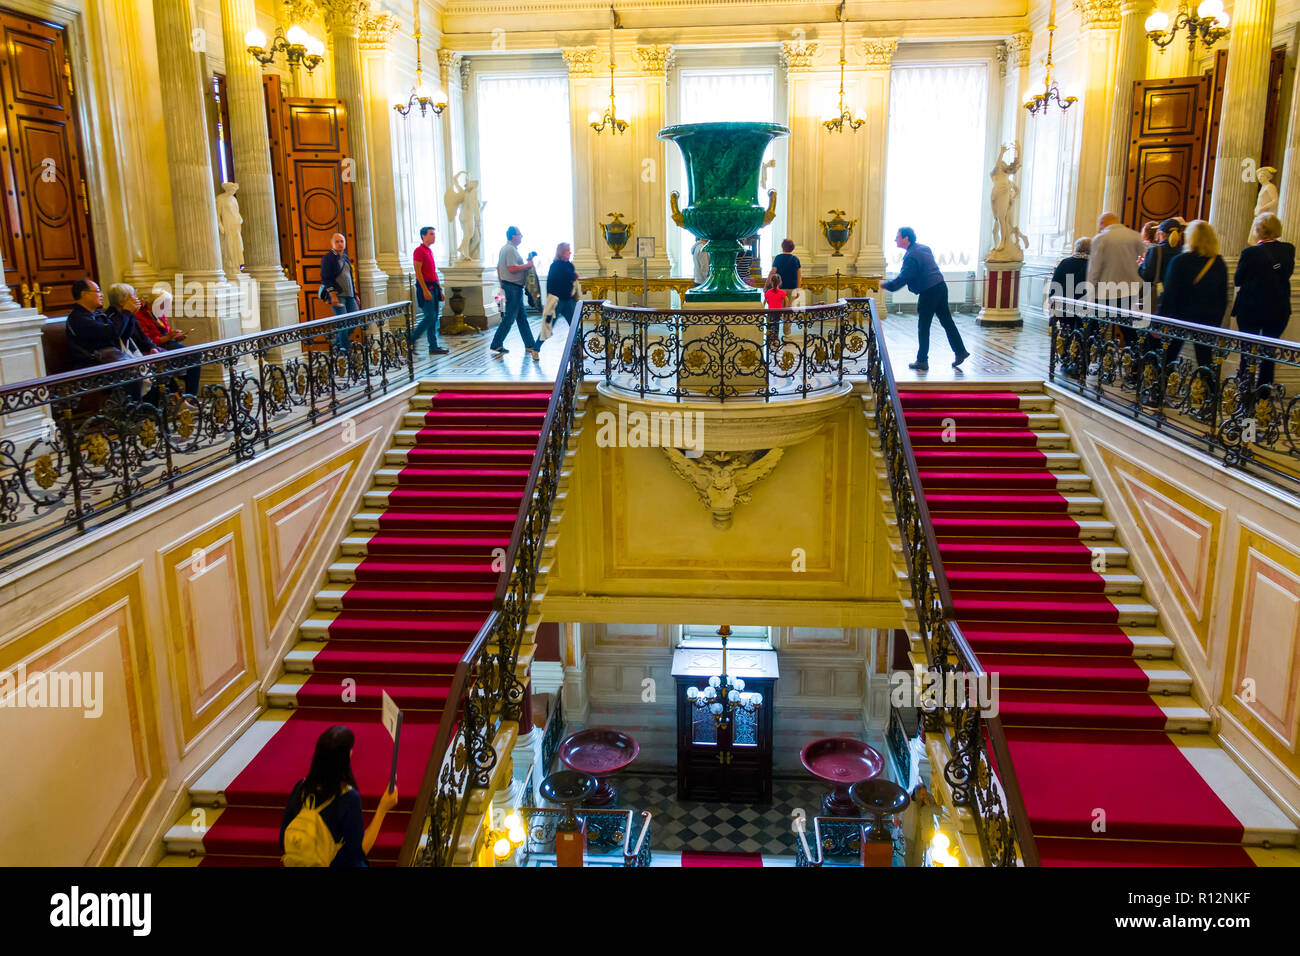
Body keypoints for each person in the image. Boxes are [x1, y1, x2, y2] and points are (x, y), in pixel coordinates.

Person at [279, 725, 399, 868]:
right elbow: (357, 853)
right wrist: (382, 809)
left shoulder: (301, 787)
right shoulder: (348, 798)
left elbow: (283, 841)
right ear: (345, 757)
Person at [881, 227, 969, 371]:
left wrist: (886, 285)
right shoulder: (924, 248)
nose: (895, 239)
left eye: (897, 237)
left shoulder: (910, 256)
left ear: (906, 238)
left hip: (929, 292)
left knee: (924, 326)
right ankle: (960, 351)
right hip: (940, 286)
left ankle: (922, 361)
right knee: (947, 322)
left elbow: (904, 278)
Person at [1233, 212, 1295, 389]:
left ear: (1259, 230)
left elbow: (1238, 279)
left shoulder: (1250, 252)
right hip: (1278, 308)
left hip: (1251, 309)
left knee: (1247, 350)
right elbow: (1287, 274)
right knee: (1269, 351)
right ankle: (1264, 393)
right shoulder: (1289, 249)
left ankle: (1245, 388)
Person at [1157, 219, 1228, 372]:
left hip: (1180, 317)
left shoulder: (1180, 261)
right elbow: (1223, 296)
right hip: (1207, 318)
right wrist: (1217, 321)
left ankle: (1158, 391)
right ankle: (1210, 392)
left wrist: (1160, 319)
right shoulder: (1218, 263)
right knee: (1205, 359)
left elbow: (1169, 293)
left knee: (1169, 355)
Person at [65, 279, 148, 401]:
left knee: (147, 370)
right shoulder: (77, 318)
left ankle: (144, 413)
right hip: (92, 365)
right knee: (132, 375)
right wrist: (125, 312)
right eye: (98, 291)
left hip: (110, 361)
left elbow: (122, 336)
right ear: (84, 294)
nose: (102, 295)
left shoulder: (99, 314)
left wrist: (130, 315)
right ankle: (133, 416)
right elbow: (110, 333)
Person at [1087, 213, 1145, 346]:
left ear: (1103, 223)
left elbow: (1094, 269)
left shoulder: (1101, 238)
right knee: (1130, 330)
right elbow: (1144, 262)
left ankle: (1088, 359)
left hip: (1104, 292)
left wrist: (1090, 291)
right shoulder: (1136, 236)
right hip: (1130, 291)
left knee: (1095, 330)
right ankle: (1135, 361)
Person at [137, 289, 201, 397]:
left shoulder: (159, 314)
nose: (164, 308)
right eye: (162, 304)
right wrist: (168, 337)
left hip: (168, 345)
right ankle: (181, 397)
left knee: (196, 356)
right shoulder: (140, 316)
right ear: (153, 302)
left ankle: (191, 396)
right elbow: (148, 341)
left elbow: (166, 333)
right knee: (191, 359)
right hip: (154, 349)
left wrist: (176, 337)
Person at [491, 226, 540, 359]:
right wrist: (528, 265)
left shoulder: (508, 249)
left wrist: (502, 283)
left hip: (512, 287)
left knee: (521, 318)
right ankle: (496, 343)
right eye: (519, 234)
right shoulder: (510, 249)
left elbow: (499, 267)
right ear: (513, 236)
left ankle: (530, 344)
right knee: (509, 318)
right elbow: (511, 268)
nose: (521, 236)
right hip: (512, 288)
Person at [1049, 238, 1091, 370]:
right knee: (1082, 332)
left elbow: (1055, 283)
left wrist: (1052, 301)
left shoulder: (1065, 262)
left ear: (1076, 248)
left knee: (1066, 330)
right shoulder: (1092, 265)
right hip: (1084, 306)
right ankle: (1079, 361)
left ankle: (1066, 358)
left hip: (1065, 305)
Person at [412, 226, 450, 358]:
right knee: (430, 316)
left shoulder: (429, 251)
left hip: (433, 287)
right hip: (425, 288)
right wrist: (424, 290)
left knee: (434, 318)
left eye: (434, 234)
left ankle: (433, 346)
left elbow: (433, 272)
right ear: (423, 236)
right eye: (431, 234)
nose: (434, 236)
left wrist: (440, 289)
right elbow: (418, 272)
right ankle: (411, 339)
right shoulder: (419, 251)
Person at [320, 233, 359, 352]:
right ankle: (345, 351)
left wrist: (355, 294)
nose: (340, 244)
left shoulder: (345, 257)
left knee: (355, 320)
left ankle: (336, 343)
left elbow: (350, 277)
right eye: (337, 241)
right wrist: (332, 295)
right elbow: (326, 278)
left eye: (342, 241)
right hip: (338, 295)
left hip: (350, 295)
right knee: (343, 324)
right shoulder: (328, 258)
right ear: (332, 243)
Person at [1137, 218, 1183, 311]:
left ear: (1160, 234)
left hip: (1158, 296)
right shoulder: (1183, 251)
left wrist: (1142, 264)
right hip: (1178, 296)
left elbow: (1147, 275)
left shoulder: (1155, 250)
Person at [545, 242, 580, 332]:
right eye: (568, 250)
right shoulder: (555, 265)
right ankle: (537, 346)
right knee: (548, 326)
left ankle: (578, 345)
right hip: (557, 300)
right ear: (562, 252)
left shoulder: (569, 265)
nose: (570, 252)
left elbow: (571, 277)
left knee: (574, 325)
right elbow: (550, 281)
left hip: (568, 299)